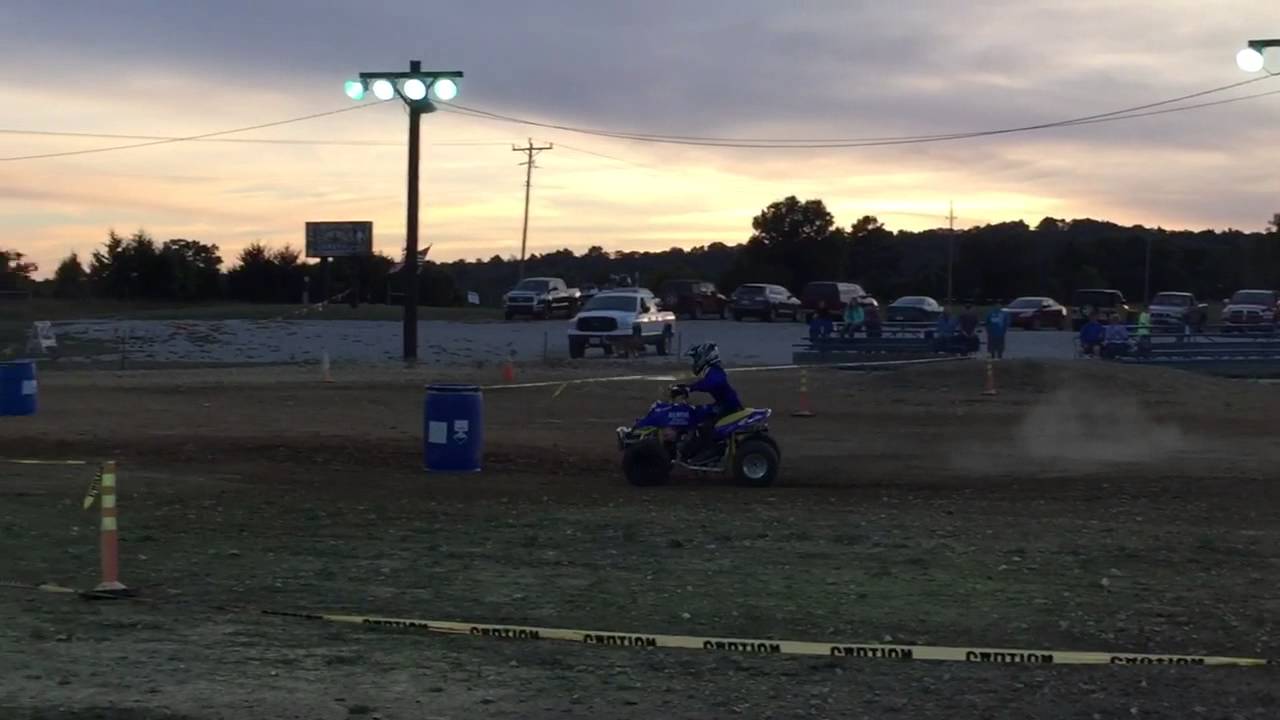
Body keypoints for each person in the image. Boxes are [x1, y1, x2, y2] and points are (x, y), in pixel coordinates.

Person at [673, 342, 743, 466]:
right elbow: (706, 382)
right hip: (724, 405)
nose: (695, 362)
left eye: (696, 358)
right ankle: (692, 449)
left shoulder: (715, 371)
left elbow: (714, 383)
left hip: (728, 407)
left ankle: (711, 451)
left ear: (705, 357)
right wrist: (686, 387)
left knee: (704, 423)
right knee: (696, 413)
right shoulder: (712, 370)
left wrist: (690, 388)